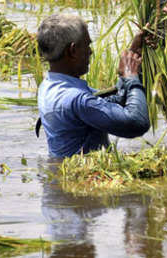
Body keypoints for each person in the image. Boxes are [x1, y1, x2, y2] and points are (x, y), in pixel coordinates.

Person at [36, 14, 149, 158]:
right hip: (86, 178)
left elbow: (113, 102)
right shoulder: (76, 98)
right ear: (72, 50)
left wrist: (132, 55)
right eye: (87, 45)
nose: (90, 51)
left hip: (68, 174)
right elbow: (136, 123)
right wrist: (131, 76)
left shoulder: (49, 85)